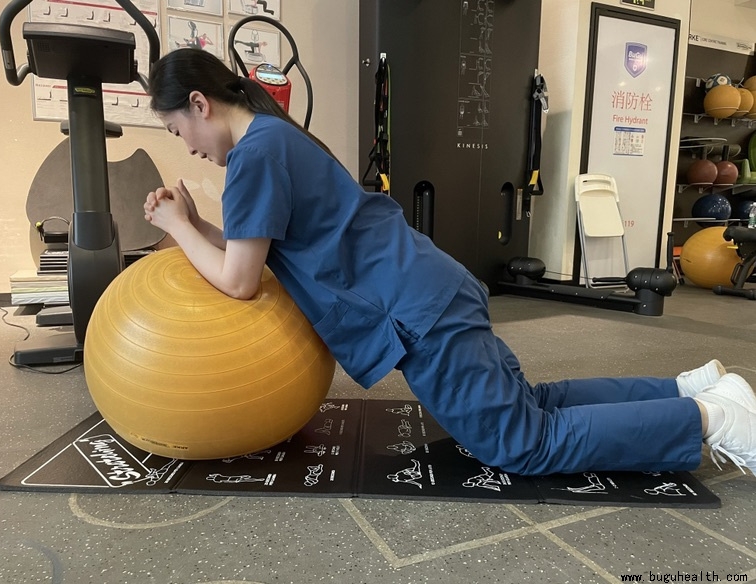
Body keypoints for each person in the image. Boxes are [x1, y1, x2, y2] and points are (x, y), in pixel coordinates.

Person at [143, 48, 756, 477]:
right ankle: (689, 388)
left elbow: (240, 281)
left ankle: (714, 420)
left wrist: (177, 228)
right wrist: (195, 224)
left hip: (420, 315)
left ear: (199, 104)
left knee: (521, 442)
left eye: (176, 131)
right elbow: (259, 249)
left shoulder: (254, 156)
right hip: (431, 291)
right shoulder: (275, 138)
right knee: (533, 403)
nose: (187, 147)